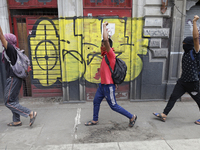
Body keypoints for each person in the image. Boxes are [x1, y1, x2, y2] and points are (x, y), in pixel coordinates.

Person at [85, 21, 137, 127]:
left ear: (108, 45)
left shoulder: (110, 54)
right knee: (96, 101)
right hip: (102, 85)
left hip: (108, 86)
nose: (101, 45)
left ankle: (132, 116)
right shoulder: (104, 56)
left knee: (113, 105)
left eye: (103, 44)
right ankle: (95, 120)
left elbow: (105, 39)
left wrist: (104, 26)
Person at [153, 15, 200, 125]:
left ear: (190, 45)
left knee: (198, 100)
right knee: (173, 96)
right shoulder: (186, 53)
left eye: (185, 44)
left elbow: (195, 38)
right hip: (183, 81)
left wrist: (194, 22)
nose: (183, 46)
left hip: (193, 82)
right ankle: (164, 114)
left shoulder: (196, 52)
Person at [0, 26, 37, 127]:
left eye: (4, 40)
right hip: (16, 78)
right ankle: (16, 120)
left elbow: (1, 36)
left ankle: (30, 113)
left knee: (8, 102)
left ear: (7, 41)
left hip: (13, 79)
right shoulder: (13, 49)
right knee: (14, 100)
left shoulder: (10, 49)